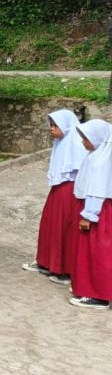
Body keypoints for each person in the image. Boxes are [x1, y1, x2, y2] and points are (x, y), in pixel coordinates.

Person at [22, 110, 86, 281]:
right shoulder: (61, 142)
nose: (51, 129)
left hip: (70, 191)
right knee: (50, 224)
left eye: (56, 125)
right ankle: (45, 262)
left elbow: (81, 170)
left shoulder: (76, 143)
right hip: (59, 189)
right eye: (51, 125)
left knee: (63, 228)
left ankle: (63, 269)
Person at [68, 119, 112, 308]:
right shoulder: (98, 155)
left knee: (96, 253)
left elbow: (97, 189)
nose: (83, 142)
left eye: (86, 138)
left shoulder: (102, 161)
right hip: (102, 211)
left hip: (99, 213)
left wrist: (88, 215)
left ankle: (98, 295)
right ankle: (92, 288)